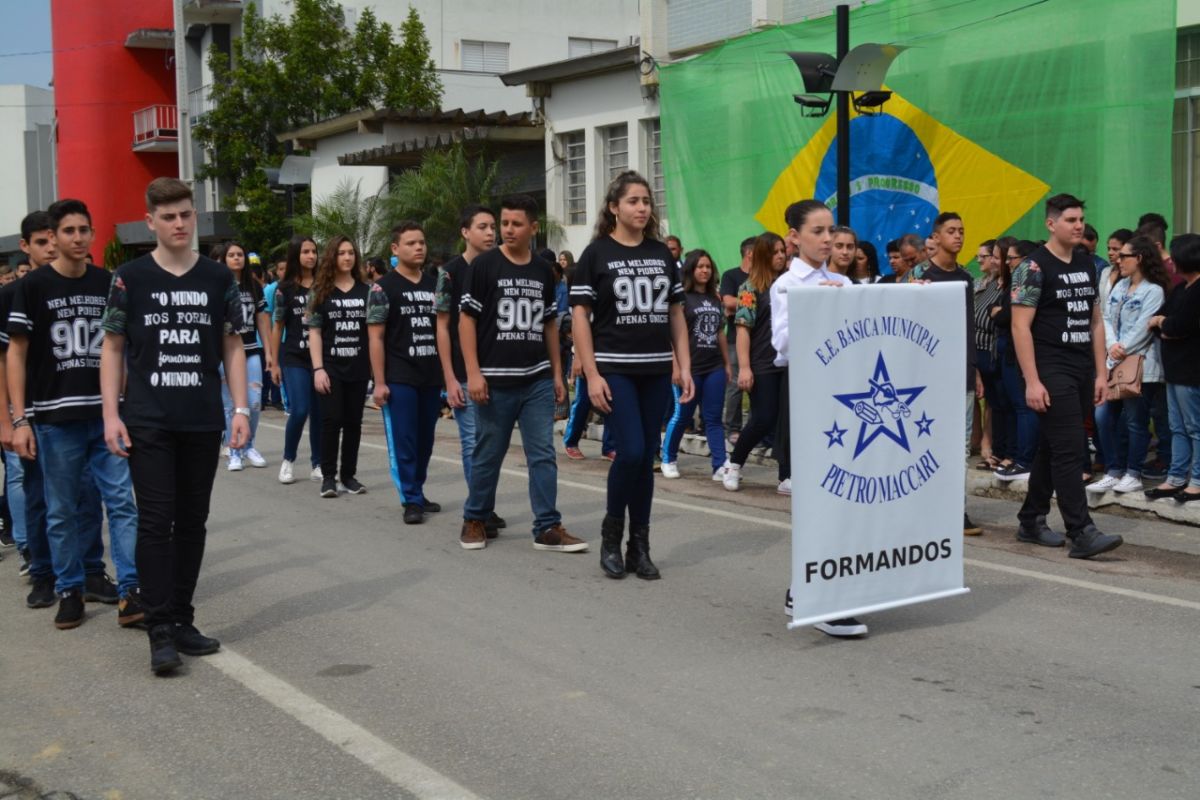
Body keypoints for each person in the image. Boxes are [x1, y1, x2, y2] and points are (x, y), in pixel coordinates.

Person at [101, 176, 250, 675]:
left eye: (186, 214)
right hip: (148, 420)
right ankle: (159, 628)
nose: (179, 223)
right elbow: (113, 347)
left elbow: (232, 344)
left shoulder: (217, 278)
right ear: (151, 222)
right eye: (168, 216)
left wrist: (242, 410)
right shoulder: (130, 278)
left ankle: (183, 619)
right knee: (154, 521)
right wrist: (110, 415)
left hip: (201, 420)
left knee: (192, 522)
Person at [7, 199, 142, 630]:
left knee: (121, 503)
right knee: (61, 510)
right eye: (69, 231)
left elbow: (121, 347)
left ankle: (130, 589)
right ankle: (68, 588)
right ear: (53, 236)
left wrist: (122, 403)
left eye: (85, 229)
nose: (78, 238)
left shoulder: (108, 281)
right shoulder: (32, 287)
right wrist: (20, 419)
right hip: (53, 419)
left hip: (104, 415)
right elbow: (16, 354)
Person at [570, 172, 691, 579]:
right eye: (633, 201)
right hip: (614, 368)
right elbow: (580, 317)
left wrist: (684, 365)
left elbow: (676, 313)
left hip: (656, 369)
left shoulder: (661, 254)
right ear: (613, 208)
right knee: (633, 452)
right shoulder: (596, 254)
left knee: (645, 460)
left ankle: (640, 545)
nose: (642, 208)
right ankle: (610, 537)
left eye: (646, 201)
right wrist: (591, 373)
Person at [459, 194, 583, 553]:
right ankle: (475, 517)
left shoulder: (543, 271)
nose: (507, 230)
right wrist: (474, 373)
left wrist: (557, 374)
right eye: (504, 223)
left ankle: (547, 526)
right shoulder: (483, 267)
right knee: (488, 452)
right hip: (494, 380)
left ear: (533, 227)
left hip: (537, 380)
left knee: (542, 452)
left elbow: (548, 326)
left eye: (516, 224)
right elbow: (466, 322)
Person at [766, 201, 863, 638]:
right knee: (817, 499)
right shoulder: (789, 285)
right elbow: (782, 345)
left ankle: (808, 588)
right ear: (795, 237)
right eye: (818, 231)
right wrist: (818, 307)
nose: (827, 240)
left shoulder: (842, 280)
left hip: (846, 398)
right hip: (808, 397)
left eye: (831, 232)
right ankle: (815, 595)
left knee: (845, 497)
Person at [1008, 194, 1122, 558]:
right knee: (1071, 447)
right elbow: (1020, 327)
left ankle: (1030, 519)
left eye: (1081, 220)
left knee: (1053, 446)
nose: (1078, 226)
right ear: (1051, 224)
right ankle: (1081, 531)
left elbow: (1095, 320)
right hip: (1049, 367)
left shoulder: (1089, 263)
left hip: (1081, 368)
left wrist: (1102, 372)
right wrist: (1032, 380)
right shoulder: (1033, 268)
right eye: (1071, 219)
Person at [905, 212, 981, 536]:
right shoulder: (920, 275)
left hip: (960, 372)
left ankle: (956, 510)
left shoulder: (966, 277)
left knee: (960, 447)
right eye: (951, 231)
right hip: (925, 377)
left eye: (962, 231)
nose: (958, 236)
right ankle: (920, 508)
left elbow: (968, 328)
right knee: (923, 444)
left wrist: (974, 371)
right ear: (936, 237)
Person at [433, 205, 506, 535]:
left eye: (493, 226)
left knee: (492, 443)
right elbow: (443, 326)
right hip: (463, 371)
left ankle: (484, 506)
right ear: (465, 232)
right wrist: (449, 378)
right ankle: (479, 512)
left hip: (498, 370)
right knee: (472, 441)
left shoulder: (502, 267)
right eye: (483, 227)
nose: (491, 233)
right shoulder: (449, 273)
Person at [368, 221, 442, 524]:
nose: (419, 247)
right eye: (411, 243)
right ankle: (410, 498)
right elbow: (376, 337)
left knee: (426, 439)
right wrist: (380, 382)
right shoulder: (383, 288)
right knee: (405, 439)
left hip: (430, 374)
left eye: (422, 242)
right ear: (395, 249)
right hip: (400, 375)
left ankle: (419, 490)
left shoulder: (434, 284)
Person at [1087, 235, 1169, 494]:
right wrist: (1111, 346)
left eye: (1124, 256)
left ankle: (1133, 472)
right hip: (1115, 361)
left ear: (1140, 258)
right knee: (1103, 417)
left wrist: (1117, 352)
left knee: (1135, 421)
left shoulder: (1153, 290)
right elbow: (1106, 319)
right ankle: (1114, 469)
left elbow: (1143, 327)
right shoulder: (1120, 286)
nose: (1118, 260)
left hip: (1140, 367)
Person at [0, 211, 57, 579]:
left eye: (55, 237)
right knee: (27, 482)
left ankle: (83, 568)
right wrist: (7, 419)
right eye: (42, 241)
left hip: (67, 406)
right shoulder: (9, 295)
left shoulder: (79, 284)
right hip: (24, 409)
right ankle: (33, 555)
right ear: (25, 247)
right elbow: (4, 360)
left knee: (81, 491)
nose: (52, 246)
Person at [722, 233, 790, 494]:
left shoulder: (789, 284)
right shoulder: (750, 289)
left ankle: (786, 476)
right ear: (762, 255)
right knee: (763, 418)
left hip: (789, 362)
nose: (781, 256)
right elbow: (742, 330)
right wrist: (745, 367)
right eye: (775, 252)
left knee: (788, 421)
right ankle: (734, 463)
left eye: (783, 251)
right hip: (762, 362)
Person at [307, 236, 371, 498]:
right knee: (331, 421)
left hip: (359, 367)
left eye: (351, 253)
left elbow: (375, 334)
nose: (347, 257)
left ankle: (349, 476)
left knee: (354, 422)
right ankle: (328, 477)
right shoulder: (321, 292)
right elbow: (314, 333)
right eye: (342, 253)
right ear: (332, 257)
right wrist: (318, 369)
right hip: (331, 367)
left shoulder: (367, 292)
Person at [660, 249, 731, 480]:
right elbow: (670, 334)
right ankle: (668, 458)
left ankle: (719, 465)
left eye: (708, 267)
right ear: (691, 269)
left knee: (713, 418)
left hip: (714, 367)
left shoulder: (714, 298)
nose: (705, 271)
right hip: (688, 369)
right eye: (700, 266)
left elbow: (720, 332)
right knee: (682, 415)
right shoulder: (681, 299)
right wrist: (675, 367)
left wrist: (727, 364)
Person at [1146, 233, 1200, 502]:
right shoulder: (1181, 289)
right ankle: (1177, 477)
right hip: (1174, 369)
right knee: (1177, 426)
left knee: (1194, 426)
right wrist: (1164, 325)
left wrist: (1163, 324)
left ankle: (1198, 480)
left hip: (1192, 371)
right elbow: (1158, 324)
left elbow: (1179, 326)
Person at [212, 241, 272, 471]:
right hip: (225, 353)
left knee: (254, 401)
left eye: (240, 255)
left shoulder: (253, 286)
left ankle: (249, 445)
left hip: (250, 349)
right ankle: (234, 450)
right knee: (231, 404)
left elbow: (262, 319)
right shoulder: (218, 286)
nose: (237, 258)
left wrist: (268, 352)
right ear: (224, 259)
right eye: (232, 255)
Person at [271, 236, 323, 483]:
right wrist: (274, 361)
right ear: (296, 255)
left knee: (320, 412)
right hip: (295, 357)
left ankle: (318, 463)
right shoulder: (285, 289)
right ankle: (288, 460)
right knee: (300, 409)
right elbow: (277, 326)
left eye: (313, 251)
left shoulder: (325, 285)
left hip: (322, 359)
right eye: (305, 252)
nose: (311, 256)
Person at [973, 238, 1009, 472]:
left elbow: (1000, 317)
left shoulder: (1007, 286)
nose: (982, 261)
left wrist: (996, 313)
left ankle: (999, 450)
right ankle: (991, 449)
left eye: (991, 256)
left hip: (994, 351)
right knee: (991, 401)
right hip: (979, 351)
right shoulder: (986, 283)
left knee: (1000, 404)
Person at [720, 237, 757, 441]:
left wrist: (742, 304)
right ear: (749, 253)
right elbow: (727, 301)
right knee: (735, 384)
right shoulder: (731, 276)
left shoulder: (764, 277)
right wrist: (753, 302)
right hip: (735, 338)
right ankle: (732, 428)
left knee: (757, 385)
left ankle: (754, 429)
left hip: (759, 340)